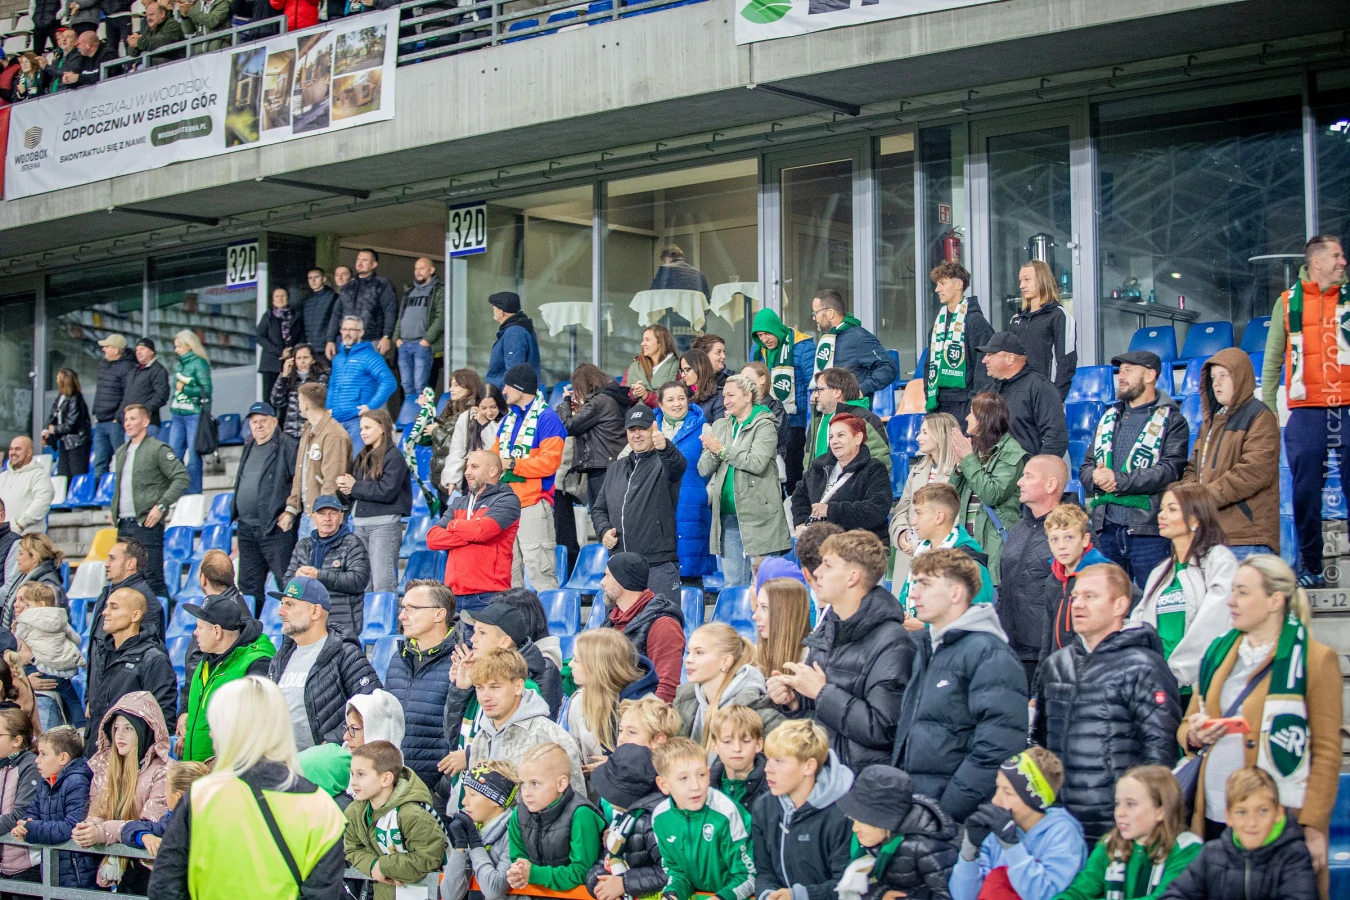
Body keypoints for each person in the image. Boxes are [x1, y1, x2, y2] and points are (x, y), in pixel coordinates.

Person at [1177, 555, 1340, 885]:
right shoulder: (1217, 652)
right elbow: (1185, 726)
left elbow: (1326, 752)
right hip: (1215, 811)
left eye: (1242, 592)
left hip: (1278, 818)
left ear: (1274, 601)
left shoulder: (1315, 659)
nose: (1231, 601)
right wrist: (1194, 735)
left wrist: (1312, 827)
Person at [146, 677, 348, 899]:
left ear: (232, 731)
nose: (211, 734)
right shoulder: (322, 808)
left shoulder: (203, 797)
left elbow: (165, 887)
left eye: (216, 725)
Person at [1032, 563, 1181, 842]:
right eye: (1075, 597)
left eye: (1091, 596)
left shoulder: (1144, 667)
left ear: (1120, 605)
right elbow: (1040, 745)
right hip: (1060, 824)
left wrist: (1137, 820)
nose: (1078, 604)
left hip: (1117, 828)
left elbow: (1159, 754)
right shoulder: (1056, 665)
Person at [891, 548, 1027, 821]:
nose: (914, 595)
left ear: (955, 593)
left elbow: (998, 748)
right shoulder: (928, 649)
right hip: (919, 810)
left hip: (953, 819)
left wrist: (945, 810)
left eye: (925, 585)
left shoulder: (990, 655)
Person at [768, 530, 911, 773]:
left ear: (852, 577)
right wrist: (794, 702)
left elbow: (883, 728)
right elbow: (818, 713)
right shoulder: (829, 628)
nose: (817, 573)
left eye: (828, 565)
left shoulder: (893, 642)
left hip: (862, 781)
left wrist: (821, 692)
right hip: (823, 772)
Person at [1261, 234, 1348, 587]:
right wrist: (1269, 408)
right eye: (1337, 256)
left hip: (1346, 407)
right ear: (1317, 262)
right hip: (1308, 411)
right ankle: (1311, 567)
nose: (1343, 262)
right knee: (1305, 494)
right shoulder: (1287, 303)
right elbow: (1272, 360)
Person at [1082, 350, 1191, 588]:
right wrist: (1096, 477)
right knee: (1107, 599)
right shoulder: (1109, 417)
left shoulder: (1173, 421)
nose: (1120, 377)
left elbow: (1169, 470)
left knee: (1153, 598)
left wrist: (1118, 481)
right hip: (1106, 530)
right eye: (1120, 371)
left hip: (1148, 533)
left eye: (1128, 371)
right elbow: (1087, 466)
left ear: (1149, 376)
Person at [1129, 484, 1238, 691]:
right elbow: (1140, 623)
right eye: (1161, 509)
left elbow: (1214, 622)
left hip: (1200, 686)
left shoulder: (1219, 560)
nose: (1161, 515)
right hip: (1159, 685)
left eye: (1172, 509)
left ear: (1195, 519)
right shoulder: (1160, 572)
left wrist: (1177, 673)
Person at [1160, 767, 1319, 900]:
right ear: (1228, 817)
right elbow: (1175, 894)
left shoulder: (1294, 855)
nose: (1252, 822)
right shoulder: (1211, 854)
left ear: (1278, 813)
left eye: (1262, 811)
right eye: (1241, 812)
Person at [948, 749, 1087, 900]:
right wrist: (969, 850)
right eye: (998, 788)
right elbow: (963, 896)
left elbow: (1045, 895)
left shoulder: (1063, 835)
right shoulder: (997, 834)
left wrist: (1012, 847)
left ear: (1034, 799)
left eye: (1007, 793)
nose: (995, 800)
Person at [1181, 348, 1280, 559]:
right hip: (1210, 536)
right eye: (1213, 378)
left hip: (1247, 538)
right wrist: (1187, 498)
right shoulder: (1209, 423)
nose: (1216, 383)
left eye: (1223, 376)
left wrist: (1202, 499)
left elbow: (1253, 472)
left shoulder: (1260, 416)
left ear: (1240, 376)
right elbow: (1193, 469)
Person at [267, 575, 381, 752]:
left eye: (289, 605)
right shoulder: (281, 657)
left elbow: (372, 705)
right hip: (283, 761)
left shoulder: (345, 653)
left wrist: (330, 744)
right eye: (282, 604)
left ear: (315, 611)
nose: (280, 612)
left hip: (324, 763)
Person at [1055, 765, 1203, 900]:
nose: (1119, 813)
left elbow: (1165, 897)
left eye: (1131, 804)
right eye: (1117, 803)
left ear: (1161, 811)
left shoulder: (1186, 848)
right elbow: (1080, 891)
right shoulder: (1109, 844)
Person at [700, 373, 792, 586]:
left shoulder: (765, 425)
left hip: (759, 517)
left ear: (748, 396)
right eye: (724, 396)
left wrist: (721, 450)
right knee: (733, 586)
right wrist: (713, 452)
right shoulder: (720, 425)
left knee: (766, 585)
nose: (726, 401)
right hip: (727, 516)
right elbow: (703, 469)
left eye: (731, 395)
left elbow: (756, 462)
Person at [76, 693, 172, 891]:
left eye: (128, 728)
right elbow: (97, 810)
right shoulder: (105, 767)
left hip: (147, 869)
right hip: (112, 859)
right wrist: (88, 828)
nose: (119, 735)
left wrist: (101, 832)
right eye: (116, 728)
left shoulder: (164, 771)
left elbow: (150, 826)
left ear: (144, 731)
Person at [751, 719, 854, 900]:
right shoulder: (763, 807)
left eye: (779, 761)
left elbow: (847, 884)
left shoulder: (841, 813)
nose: (767, 769)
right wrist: (768, 895)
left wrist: (800, 896)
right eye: (767, 759)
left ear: (809, 766)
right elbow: (764, 871)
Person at [462, 650, 585, 801]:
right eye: (479, 687)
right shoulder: (480, 739)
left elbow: (576, 803)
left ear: (519, 686)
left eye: (495, 687)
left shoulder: (553, 738)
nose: (485, 697)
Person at [593, 405, 686, 599]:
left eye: (642, 428)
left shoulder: (664, 462)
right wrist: (604, 531)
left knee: (662, 616)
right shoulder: (615, 467)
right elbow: (599, 509)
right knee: (617, 620)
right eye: (632, 429)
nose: (637, 434)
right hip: (620, 566)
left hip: (657, 565)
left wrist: (665, 447)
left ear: (653, 428)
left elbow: (678, 464)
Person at [649, 736, 756, 900]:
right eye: (683, 778)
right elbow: (676, 872)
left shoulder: (727, 813)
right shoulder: (660, 818)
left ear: (708, 774)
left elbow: (749, 876)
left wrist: (721, 897)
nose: (695, 786)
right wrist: (672, 894)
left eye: (701, 775)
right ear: (664, 784)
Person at [833, 764, 959, 900]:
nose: (855, 828)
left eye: (864, 820)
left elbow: (949, 895)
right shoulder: (863, 840)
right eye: (853, 819)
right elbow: (852, 879)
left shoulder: (926, 848)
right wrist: (878, 894)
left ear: (885, 821)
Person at [176, 594, 276, 763]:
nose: (195, 633)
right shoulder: (207, 660)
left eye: (199, 627)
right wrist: (185, 712)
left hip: (228, 771)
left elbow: (255, 724)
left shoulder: (257, 664)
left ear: (217, 631)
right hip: (197, 770)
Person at [492, 363, 566, 591]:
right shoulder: (508, 420)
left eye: (507, 386)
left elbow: (549, 463)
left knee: (540, 573)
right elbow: (494, 457)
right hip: (506, 505)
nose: (503, 391)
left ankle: (548, 615)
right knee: (508, 576)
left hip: (533, 504)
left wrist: (513, 464)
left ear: (520, 388)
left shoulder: (547, 418)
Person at [343, 740, 447, 900]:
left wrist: (384, 866)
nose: (353, 781)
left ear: (386, 779)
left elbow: (429, 857)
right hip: (384, 893)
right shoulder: (355, 811)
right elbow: (351, 848)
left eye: (361, 774)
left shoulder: (412, 814)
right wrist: (372, 865)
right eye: (352, 774)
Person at [999, 454, 1068, 688]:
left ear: (1051, 485)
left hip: (1046, 654)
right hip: (1009, 648)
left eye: (1028, 476)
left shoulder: (1073, 533)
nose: (1020, 482)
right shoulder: (1018, 528)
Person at [383, 579, 456, 799]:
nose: (401, 616)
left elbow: (464, 731)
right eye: (402, 608)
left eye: (411, 608)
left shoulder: (461, 660)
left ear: (439, 614)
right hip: (394, 787)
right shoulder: (399, 658)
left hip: (436, 794)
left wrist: (442, 788)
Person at [84, 589, 178, 755]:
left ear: (135, 615)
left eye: (114, 607)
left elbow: (162, 721)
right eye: (106, 606)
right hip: (95, 755)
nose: (105, 612)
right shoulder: (101, 652)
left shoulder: (153, 658)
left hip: (130, 760)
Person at [948, 392, 1029, 581]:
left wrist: (968, 460)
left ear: (984, 418)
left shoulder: (1012, 452)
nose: (966, 418)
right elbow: (950, 497)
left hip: (994, 543)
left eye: (971, 413)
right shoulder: (974, 451)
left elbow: (992, 494)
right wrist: (959, 468)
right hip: (967, 542)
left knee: (992, 594)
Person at [109, 402, 187, 598]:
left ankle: (161, 617)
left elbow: (182, 477)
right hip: (124, 525)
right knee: (124, 579)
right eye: (126, 419)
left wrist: (161, 505)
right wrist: (114, 510)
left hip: (147, 525)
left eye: (133, 419)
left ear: (145, 422)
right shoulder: (121, 451)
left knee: (152, 578)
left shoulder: (157, 448)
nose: (128, 423)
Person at [425, 450, 519, 612]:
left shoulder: (507, 500)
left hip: (488, 595)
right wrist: (472, 532)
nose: (467, 472)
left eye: (474, 467)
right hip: (453, 595)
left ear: (493, 471)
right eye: (467, 467)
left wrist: (454, 525)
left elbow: (481, 532)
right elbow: (432, 539)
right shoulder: (459, 502)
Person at [505, 742, 605, 892]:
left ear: (561, 783)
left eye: (535, 783)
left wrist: (535, 874)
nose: (526, 792)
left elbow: (582, 873)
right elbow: (519, 860)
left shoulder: (581, 814)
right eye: (523, 784)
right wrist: (517, 874)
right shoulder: (518, 814)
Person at [333, 409, 409, 594]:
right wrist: (345, 489)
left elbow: (387, 491)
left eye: (367, 428)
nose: (363, 432)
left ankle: (386, 614)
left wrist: (354, 487)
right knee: (363, 583)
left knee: (383, 583)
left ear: (382, 428)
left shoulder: (394, 456)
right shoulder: (362, 456)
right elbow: (356, 491)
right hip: (359, 525)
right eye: (361, 429)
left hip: (384, 526)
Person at [230, 402, 298, 609]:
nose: (258, 426)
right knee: (248, 588)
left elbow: (298, 482)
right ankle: (252, 629)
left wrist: (290, 511)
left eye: (263, 421)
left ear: (274, 422)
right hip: (247, 528)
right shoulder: (249, 445)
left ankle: (294, 628)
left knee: (287, 584)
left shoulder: (288, 444)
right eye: (254, 422)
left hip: (275, 528)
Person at [12, 725, 96, 889]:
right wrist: (23, 826)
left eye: (43, 754)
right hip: (54, 871)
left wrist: (31, 829)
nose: (37, 760)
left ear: (63, 758)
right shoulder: (45, 783)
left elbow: (72, 826)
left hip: (79, 875)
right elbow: (32, 813)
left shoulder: (77, 781)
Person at [892, 482, 994, 618]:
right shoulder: (922, 551)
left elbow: (975, 618)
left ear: (939, 517)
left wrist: (925, 626)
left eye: (919, 513)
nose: (913, 521)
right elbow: (905, 598)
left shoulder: (968, 562)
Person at [791, 412, 891, 544]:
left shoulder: (874, 469)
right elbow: (799, 497)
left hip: (860, 546)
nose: (834, 441)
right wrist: (800, 522)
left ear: (858, 438)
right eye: (831, 436)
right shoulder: (818, 468)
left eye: (841, 435)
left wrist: (831, 510)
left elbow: (876, 509)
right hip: (820, 544)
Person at [586, 743, 669, 900]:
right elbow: (605, 859)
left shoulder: (653, 822)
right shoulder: (624, 818)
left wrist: (624, 884)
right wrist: (600, 883)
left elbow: (671, 872)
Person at [600, 553, 686, 704]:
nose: (602, 583)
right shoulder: (612, 620)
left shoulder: (663, 624)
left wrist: (643, 718)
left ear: (622, 580)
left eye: (607, 576)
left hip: (641, 714)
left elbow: (666, 688)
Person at [565, 628, 657, 765]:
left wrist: (613, 767)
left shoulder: (646, 706)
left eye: (576, 660)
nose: (570, 664)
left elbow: (657, 763)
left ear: (597, 667)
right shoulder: (578, 700)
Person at [677, 623, 781, 744]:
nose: (688, 660)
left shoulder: (756, 708)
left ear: (726, 661)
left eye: (699, 652)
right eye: (688, 652)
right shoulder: (684, 699)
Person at [283, 495, 371, 637]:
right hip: (307, 623)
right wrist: (296, 578)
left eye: (333, 513)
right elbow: (286, 583)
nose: (327, 518)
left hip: (342, 625)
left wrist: (319, 575)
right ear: (313, 517)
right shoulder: (303, 545)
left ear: (341, 517)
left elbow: (359, 581)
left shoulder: (353, 544)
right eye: (322, 514)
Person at [86, 539, 163, 701]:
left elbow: (146, 657)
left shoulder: (144, 601)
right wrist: (90, 698)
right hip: (101, 698)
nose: (106, 564)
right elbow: (97, 652)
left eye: (112, 559)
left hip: (122, 701)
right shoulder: (107, 595)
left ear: (130, 564)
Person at [296, 688, 405, 801]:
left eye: (354, 729)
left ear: (378, 731)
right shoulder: (340, 766)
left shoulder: (401, 795)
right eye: (347, 728)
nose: (345, 737)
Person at [656, 380, 716, 580]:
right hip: (658, 508)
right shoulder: (650, 430)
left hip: (693, 509)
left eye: (681, 398)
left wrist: (705, 496)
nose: (677, 404)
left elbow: (718, 467)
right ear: (660, 404)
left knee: (691, 574)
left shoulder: (704, 428)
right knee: (661, 577)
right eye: (670, 400)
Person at [751, 308, 815, 492]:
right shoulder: (757, 348)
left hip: (794, 421)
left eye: (767, 333)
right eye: (760, 335)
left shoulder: (802, 346)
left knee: (792, 473)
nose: (764, 339)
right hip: (763, 418)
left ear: (776, 328)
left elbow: (814, 382)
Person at [977, 331, 1069, 459]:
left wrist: (1037, 467)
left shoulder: (1040, 387)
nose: (984, 360)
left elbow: (1056, 437)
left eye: (990, 354)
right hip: (990, 469)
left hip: (1027, 469)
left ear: (1010, 358)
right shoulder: (986, 391)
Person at [890, 411, 959, 577]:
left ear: (940, 435)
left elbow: (956, 518)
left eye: (925, 432)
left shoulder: (958, 473)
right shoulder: (916, 471)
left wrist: (923, 545)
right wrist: (901, 536)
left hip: (940, 557)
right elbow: (901, 509)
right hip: (908, 553)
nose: (918, 438)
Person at [923, 261, 994, 423]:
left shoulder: (976, 322)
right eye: (937, 284)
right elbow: (929, 364)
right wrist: (929, 396)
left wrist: (974, 403)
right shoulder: (938, 324)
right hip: (938, 403)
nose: (937, 289)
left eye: (942, 283)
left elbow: (984, 366)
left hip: (964, 404)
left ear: (958, 285)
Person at [1042, 503, 1113, 659]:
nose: (1061, 546)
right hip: (1061, 665)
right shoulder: (1053, 580)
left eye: (1069, 537)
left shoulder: (1106, 575)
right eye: (1054, 539)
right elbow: (1048, 636)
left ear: (1085, 539)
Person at [281, 381, 352, 536]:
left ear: (306, 404)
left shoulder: (334, 434)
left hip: (324, 517)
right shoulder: (308, 429)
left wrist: (324, 514)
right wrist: (291, 509)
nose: (299, 405)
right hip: (308, 514)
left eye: (299, 401)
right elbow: (300, 473)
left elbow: (332, 479)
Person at [443, 760, 520, 900]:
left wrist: (475, 844)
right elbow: (450, 895)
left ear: (496, 799)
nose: (464, 802)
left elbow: (493, 890)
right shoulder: (474, 828)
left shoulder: (514, 833)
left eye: (472, 794)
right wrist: (460, 846)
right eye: (465, 793)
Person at [13, 581, 85, 728]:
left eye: (25, 602)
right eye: (17, 600)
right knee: (72, 699)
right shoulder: (60, 619)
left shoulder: (25, 624)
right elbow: (77, 639)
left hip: (41, 688)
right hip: (59, 674)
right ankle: (82, 727)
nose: (17, 605)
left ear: (40, 604)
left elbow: (17, 650)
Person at [179, 549, 256, 686]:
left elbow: (195, 661)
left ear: (203, 579)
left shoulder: (221, 612)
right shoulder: (235, 605)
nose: (197, 632)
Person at [557, 363, 629, 507]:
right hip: (613, 461)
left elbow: (568, 427)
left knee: (600, 511)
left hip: (602, 465)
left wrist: (565, 403)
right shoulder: (612, 396)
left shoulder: (599, 401)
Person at [809, 289, 897, 403]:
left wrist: (860, 390)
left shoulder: (859, 337)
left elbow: (888, 367)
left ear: (830, 313)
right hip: (828, 409)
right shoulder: (828, 339)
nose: (814, 318)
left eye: (815, 313)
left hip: (852, 410)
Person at [1008, 260, 1077, 399]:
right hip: (1016, 394)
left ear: (1042, 280)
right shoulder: (1017, 318)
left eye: (1027, 280)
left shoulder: (1059, 316)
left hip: (1044, 394)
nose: (1021, 285)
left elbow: (1066, 362)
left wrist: (1056, 397)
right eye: (1020, 280)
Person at [327, 316, 397, 454]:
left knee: (358, 463)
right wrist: (328, 408)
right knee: (337, 464)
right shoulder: (338, 358)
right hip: (336, 422)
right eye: (344, 329)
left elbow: (389, 382)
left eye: (351, 329)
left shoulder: (370, 356)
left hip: (358, 421)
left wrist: (370, 406)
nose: (347, 333)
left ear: (361, 332)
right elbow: (332, 386)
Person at [118, 759, 209, 864]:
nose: (165, 795)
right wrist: (145, 836)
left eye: (167, 790)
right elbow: (130, 827)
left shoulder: (171, 825)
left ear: (178, 798)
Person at [805, 368, 891, 476]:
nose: (815, 395)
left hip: (852, 486)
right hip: (818, 485)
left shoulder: (864, 418)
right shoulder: (817, 420)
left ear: (837, 392)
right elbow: (808, 460)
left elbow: (879, 460)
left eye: (820, 390)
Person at [423, 368, 483, 510]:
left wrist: (436, 431)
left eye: (456, 385)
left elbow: (458, 445)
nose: (451, 389)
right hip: (443, 480)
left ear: (469, 386)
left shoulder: (473, 413)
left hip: (459, 480)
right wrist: (425, 412)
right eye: (451, 385)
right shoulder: (449, 410)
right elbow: (425, 440)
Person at [393, 257, 445, 418]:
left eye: (422, 268)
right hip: (404, 344)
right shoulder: (409, 291)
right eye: (416, 268)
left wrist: (426, 340)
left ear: (432, 270)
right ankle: (411, 419)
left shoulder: (438, 290)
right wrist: (397, 338)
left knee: (421, 386)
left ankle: (424, 420)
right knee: (406, 385)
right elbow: (401, 316)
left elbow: (441, 317)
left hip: (422, 345)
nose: (418, 272)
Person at [324, 249, 399, 359]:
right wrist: (330, 340)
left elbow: (390, 310)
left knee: (370, 369)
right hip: (346, 340)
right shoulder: (348, 286)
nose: (359, 263)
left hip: (372, 340)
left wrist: (387, 336)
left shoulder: (382, 283)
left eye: (364, 260)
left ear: (374, 265)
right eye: (358, 259)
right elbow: (336, 314)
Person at [165, 330, 212, 496]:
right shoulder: (179, 365)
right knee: (173, 454)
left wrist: (185, 389)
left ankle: (194, 492)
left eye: (179, 346)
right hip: (177, 415)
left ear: (189, 345)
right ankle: (176, 490)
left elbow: (206, 390)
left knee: (193, 456)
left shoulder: (200, 363)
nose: (176, 350)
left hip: (194, 415)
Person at [0, 707, 41, 886]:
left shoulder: (30, 765)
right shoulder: (3, 765)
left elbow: (19, 816)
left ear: (17, 740)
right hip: (5, 864)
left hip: (26, 866)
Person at [445, 382, 507, 495]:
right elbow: (457, 451)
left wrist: (485, 424)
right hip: (470, 478)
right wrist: (452, 480)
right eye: (484, 408)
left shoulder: (508, 419)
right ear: (477, 406)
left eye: (493, 407)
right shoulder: (466, 418)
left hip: (497, 477)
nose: (489, 412)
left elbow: (497, 448)